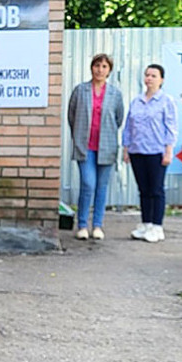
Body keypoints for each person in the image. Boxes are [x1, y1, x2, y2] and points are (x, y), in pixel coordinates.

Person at [66, 53, 125, 241]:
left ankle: (98, 225)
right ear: (91, 67)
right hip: (85, 147)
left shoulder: (115, 94)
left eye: (104, 66)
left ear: (109, 71)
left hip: (106, 147)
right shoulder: (80, 91)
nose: (100, 70)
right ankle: (82, 225)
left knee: (101, 187)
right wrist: (79, 134)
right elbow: (71, 116)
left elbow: (118, 119)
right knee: (88, 184)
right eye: (97, 65)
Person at [122, 64, 177, 242]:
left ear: (161, 80)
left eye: (154, 76)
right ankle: (146, 223)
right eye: (147, 75)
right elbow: (128, 126)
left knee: (156, 189)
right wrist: (126, 148)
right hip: (137, 150)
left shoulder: (166, 101)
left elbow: (171, 127)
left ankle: (157, 226)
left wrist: (168, 151)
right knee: (143, 189)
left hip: (156, 151)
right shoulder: (136, 101)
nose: (149, 79)